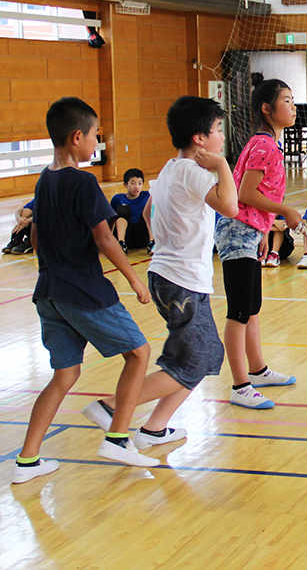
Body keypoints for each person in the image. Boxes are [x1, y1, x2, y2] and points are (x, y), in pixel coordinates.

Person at [11, 98, 158, 484]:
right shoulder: (82, 181)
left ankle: (27, 461)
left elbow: (38, 235)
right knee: (139, 353)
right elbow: (105, 237)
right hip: (83, 289)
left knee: (64, 374)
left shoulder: (44, 180)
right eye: (95, 136)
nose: (97, 142)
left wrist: (50, 267)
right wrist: (134, 280)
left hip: (49, 291)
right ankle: (118, 437)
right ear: (77, 137)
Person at [81, 96, 239, 452]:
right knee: (193, 359)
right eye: (217, 130)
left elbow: (150, 212)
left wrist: (167, 242)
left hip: (168, 275)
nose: (221, 137)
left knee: (206, 355)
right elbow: (229, 206)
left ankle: (155, 428)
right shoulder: (191, 172)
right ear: (200, 138)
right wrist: (223, 167)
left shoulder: (168, 169)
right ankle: (111, 407)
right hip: (181, 281)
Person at [216, 78, 300, 409]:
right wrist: (284, 212)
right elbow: (245, 194)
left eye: (293, 101)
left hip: (249, 231)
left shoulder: (265, 143)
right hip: (236, 232)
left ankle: (258, 370)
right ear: (267, 109)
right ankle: (239, 386)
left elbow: (253, 196)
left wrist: (264, 229)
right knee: (239, 311)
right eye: (286, 101)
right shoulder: (264, 145)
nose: (293, 107)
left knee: (251, 308)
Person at [110, 168, 153, 254]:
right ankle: (121, 244)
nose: (136, 186)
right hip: (127, 234)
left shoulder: (148, 196)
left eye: (139, 183)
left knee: (148, 209)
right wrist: (107, 238)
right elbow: (111, 219)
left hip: (143, 234)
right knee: (123, 209)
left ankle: (152, 242)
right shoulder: (118, 198)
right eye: (133, 183)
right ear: (125, 185)